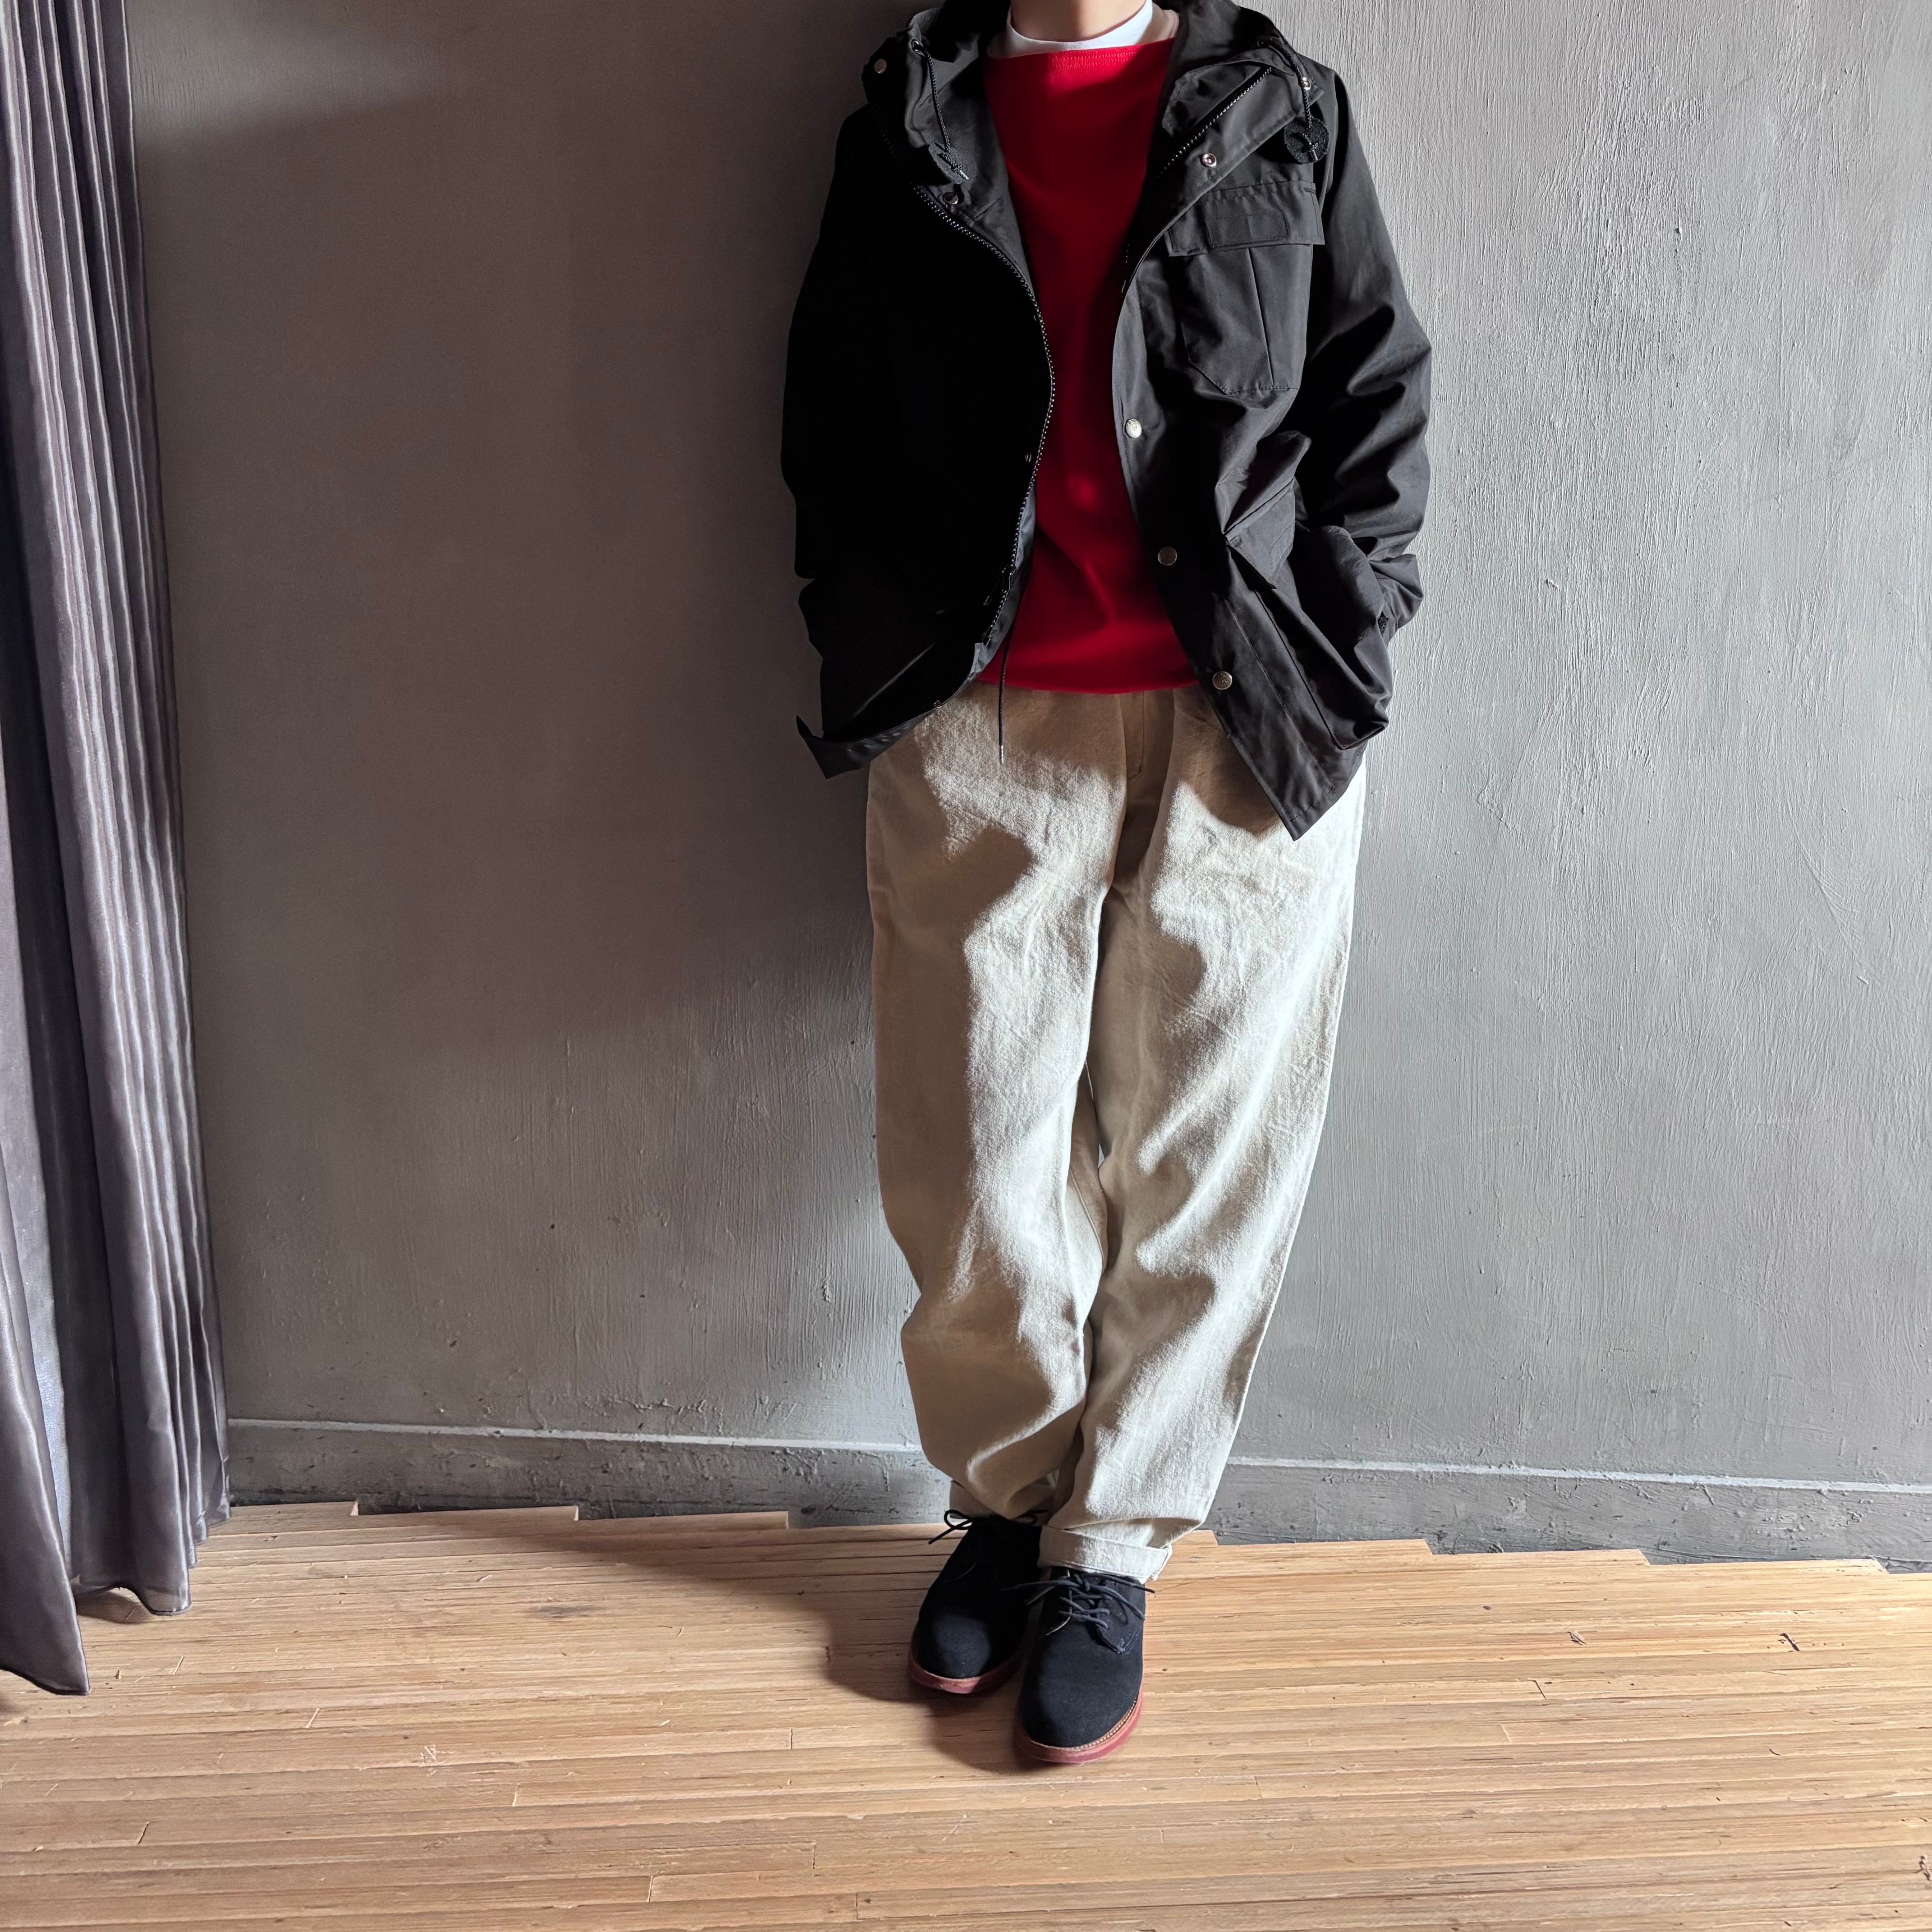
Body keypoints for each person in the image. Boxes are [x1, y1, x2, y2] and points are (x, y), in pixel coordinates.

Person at [781, 0, 1430, 1765]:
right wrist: (877, 636)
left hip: (1249, 722)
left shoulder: (1278, 110)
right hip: (981, 723)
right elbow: (832, 415)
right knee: (976, 1152)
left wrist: (1348, 639)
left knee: (1204, 1153)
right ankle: (1011, 1502)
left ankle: (1111, 1548)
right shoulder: (912, 123)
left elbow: (1376, 386)